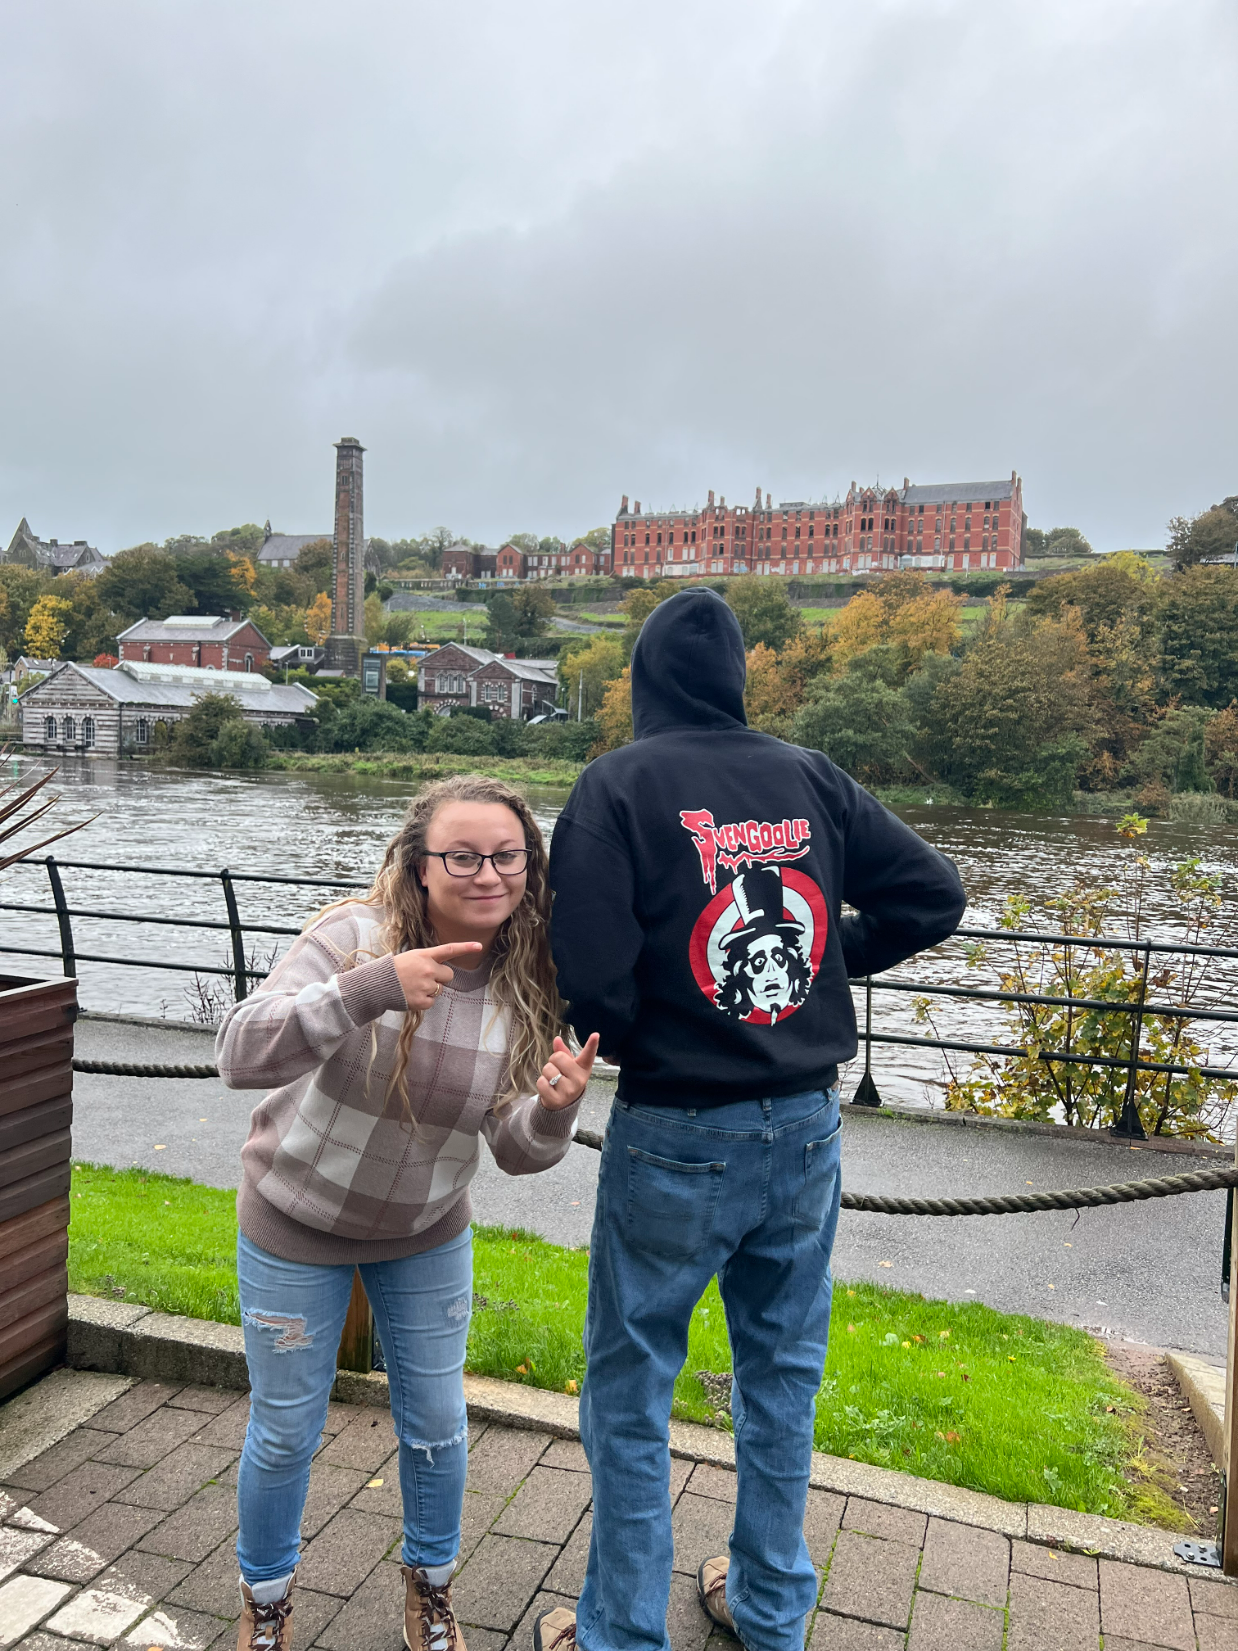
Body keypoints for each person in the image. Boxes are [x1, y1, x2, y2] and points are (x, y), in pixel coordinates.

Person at [539, 589, 965, 1651]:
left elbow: (590, 982)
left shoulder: (613, 787)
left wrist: (655, 1015)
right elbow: (933, 896)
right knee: (779, 1378)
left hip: (676, 1131)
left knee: (630, 1385)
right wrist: (819, 961)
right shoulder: (809, 776)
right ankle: (771, 1614)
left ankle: (619, 1634)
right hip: (806, 1126)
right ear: (736, 679)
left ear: (642, 681)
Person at [216, 774, 598, 1651]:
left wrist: (553, 1111)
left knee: (436, 1426)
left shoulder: (531, 978)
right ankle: (265, 1604)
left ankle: (430, 1592)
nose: (487, 873)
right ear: (420, 864)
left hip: (424, 1233)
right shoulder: (354, 935)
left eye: (507, 856)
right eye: (461, 856)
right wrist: (371, 987)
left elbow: (514, 1147)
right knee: (285, 1431)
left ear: (531, 866)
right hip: (293, 1221)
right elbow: (238, 1049)